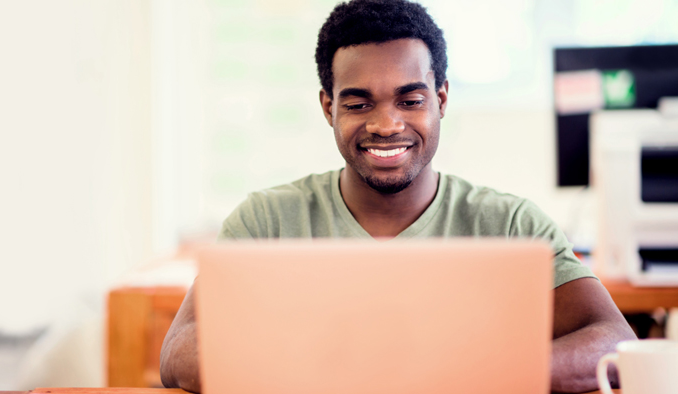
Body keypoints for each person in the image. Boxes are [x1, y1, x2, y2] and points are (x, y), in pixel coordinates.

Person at [160, 0, 636, 392]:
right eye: (358, 103)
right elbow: (179, 351)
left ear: (441, 100)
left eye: (410, 101)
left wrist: (462, 378)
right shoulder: (267, 219)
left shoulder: (510, 223)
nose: (386, 125)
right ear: (329, 106)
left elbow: (615, 342)